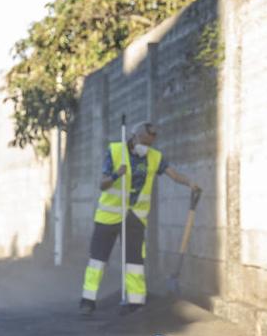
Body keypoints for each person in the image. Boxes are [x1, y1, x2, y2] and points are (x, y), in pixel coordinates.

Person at [79, 121, 201, 314]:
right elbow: (102, 185)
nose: (147, 146)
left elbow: (173, 174)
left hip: (135, 217)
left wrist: (190, 183)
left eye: (150, 143)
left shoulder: (154, 157)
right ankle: (88, 300)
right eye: (144, 142)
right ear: (134, 138)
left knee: (135, 261)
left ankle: (136, 302)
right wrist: (116, 175)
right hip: (109, 215)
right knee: (98, 260)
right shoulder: (115, 151)